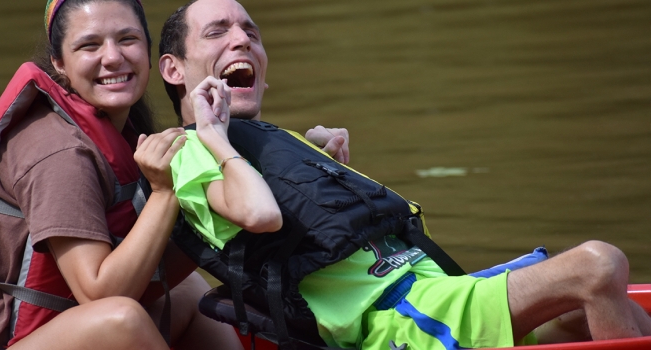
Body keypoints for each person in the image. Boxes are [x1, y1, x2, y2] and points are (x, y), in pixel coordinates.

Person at [156, 0, 651, 349]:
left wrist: (327, 166)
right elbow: (260, 215)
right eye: (218, 31)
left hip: (436, 290)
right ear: (175, 70)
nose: (242, 38)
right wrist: (214, 135)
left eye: (251, 31)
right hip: (397, 321)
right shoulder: (194, 152)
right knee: (598, 266)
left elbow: (332, 235)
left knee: (581, 315)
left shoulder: (269, 141)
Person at [0, 0, 243, 349]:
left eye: (127, 39)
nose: (112, 57)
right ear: (59, 63)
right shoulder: (60, 149)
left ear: (147, 48)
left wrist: (222, 214)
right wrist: (164, 193)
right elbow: (100, 294)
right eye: (89, 45)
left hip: (39, 334)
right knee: (121, 321)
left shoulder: (119, 130)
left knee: (189, 292)